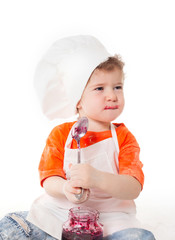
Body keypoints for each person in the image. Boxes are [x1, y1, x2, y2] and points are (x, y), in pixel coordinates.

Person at [0, 35, 156, 240]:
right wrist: (65, 187)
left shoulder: (124, 138)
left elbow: (132, 188)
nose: (112, 95)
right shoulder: (62, 134)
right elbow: (49, 178)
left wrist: (98, 178)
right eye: (100, 88)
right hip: (59, 214)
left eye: (117, 87)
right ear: (78, 100)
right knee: (13, 226)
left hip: (113, 220)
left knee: (141, 237)